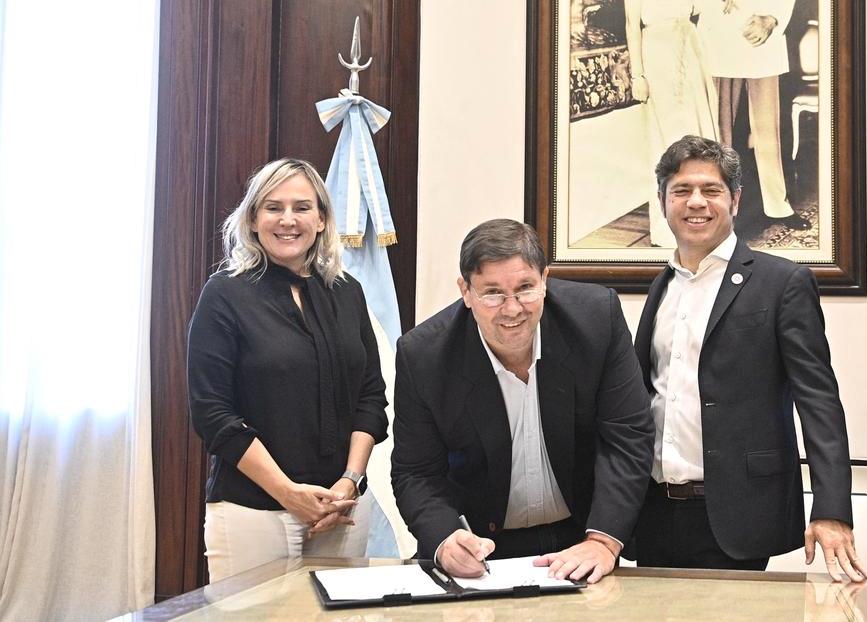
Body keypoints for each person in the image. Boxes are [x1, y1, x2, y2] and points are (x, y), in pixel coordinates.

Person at [633, 135, 866, 581]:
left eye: (711, 190)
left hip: (738, 513)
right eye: (681, 191)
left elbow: (818, 401)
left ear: (735, 200)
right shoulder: (662, 286)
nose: (696, 202)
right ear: (662, 202)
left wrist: (832, 507)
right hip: (655, 512)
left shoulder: (782, 283)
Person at [391, 218, 654, 583]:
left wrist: (604, 540)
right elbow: (416, 473)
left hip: (581, 536)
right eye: (493, 293)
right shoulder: (424, 356)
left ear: (545, 280)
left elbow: (627, 436)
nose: (512, 309)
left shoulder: (596, 320)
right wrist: (446, 539)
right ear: (465, 292)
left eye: (525, 288)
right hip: (481, 547)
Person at [188, 158, 389, 581]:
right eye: (273, 207)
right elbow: (212, 414)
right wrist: (287, 493)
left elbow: (371, 397)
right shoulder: (224, 294)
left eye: (301, 207)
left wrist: (350, 481)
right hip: (253, 513)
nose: (287, 220)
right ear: (253, 219)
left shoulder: (348, 293)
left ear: (321, 219)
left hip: (343, 508)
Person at [696, 0, 810, 230]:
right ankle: (719, 207)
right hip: (720, 34)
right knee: (720, 131)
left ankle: (777, 205)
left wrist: (773, 19)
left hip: (761, 37)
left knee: (769, 130)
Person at [624, 0, 719, 247]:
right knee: (667, 141)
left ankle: (704, 222)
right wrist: (638, 76)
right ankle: (669, 229)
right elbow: (632, 24)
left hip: (690, 47)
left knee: (699, 135)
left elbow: (699, 7)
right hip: (658, 54)